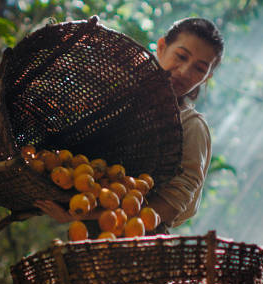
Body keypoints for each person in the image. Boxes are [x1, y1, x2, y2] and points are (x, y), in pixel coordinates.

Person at [33, 17, 224, 235]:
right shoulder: (119, 101)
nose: (184, 71)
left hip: (139, 246)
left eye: (199, 69)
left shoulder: (191, 127)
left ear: (207, 77)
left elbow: (170, 205)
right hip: (88, 237)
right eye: (181, 56)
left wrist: (83, 214)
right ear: (161, 47)